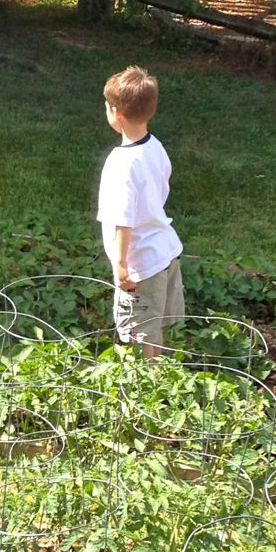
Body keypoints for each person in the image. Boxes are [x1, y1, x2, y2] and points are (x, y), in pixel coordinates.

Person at [96, 65, 184, 358]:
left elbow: (123, 219)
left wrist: (121, 264)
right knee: (153, 326)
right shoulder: (155, 147)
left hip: (140, 265)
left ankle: (144, 379)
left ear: (116, 113)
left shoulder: (120, 163)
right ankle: (158, 369)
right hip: (164, 250)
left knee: (137, 333)